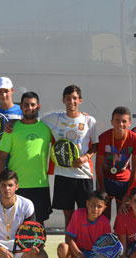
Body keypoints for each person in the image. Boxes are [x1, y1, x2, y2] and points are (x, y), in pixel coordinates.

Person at [0, 91, 52, 258]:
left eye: (32, 104)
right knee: (13, 223)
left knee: (38, 224)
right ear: (21, 107)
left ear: (38, 106)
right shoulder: (12, 129)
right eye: (26, 105)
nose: (29, 108)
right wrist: (2, 182)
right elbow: (2, 156)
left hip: (39, 184)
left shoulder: (47, 128)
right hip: (16, 187)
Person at [41, 85, 98, 227]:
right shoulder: (54, 118)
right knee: (69, 218)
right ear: (63, 100)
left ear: (80, 100)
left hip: (83, 175)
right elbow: (33, 119)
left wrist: (85, 157)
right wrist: (12, 122)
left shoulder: (89, 121)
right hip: (63, 175)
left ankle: (84, 246)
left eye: (74, 98)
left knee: (86, 215)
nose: (71, 101)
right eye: (68, 98)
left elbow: (95, 145)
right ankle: (69, 248)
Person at [57, 190, 117, 258]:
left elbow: (105, 247)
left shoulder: (105, 223)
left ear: (104, 208)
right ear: (87, 204)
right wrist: (80, 256)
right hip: (77, 253)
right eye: (92, 205)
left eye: (99, 206)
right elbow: (69, 237)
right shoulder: (78, 214)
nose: (95, 209)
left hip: (93, 256)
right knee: (62, 248)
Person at [96, 106, 136, 220]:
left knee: (122, 215)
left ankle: (119, 237)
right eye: (117, 120)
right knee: (104, 215)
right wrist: (102, 189)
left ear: (130, 123)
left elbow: (135, 170)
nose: (120, 124)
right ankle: (105, 237)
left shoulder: (135, 139)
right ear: (112, 122)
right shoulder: (104, 137)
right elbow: (99, 166)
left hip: (124, 180)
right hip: (106, 179)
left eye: (124, 121)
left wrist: (128, 194)